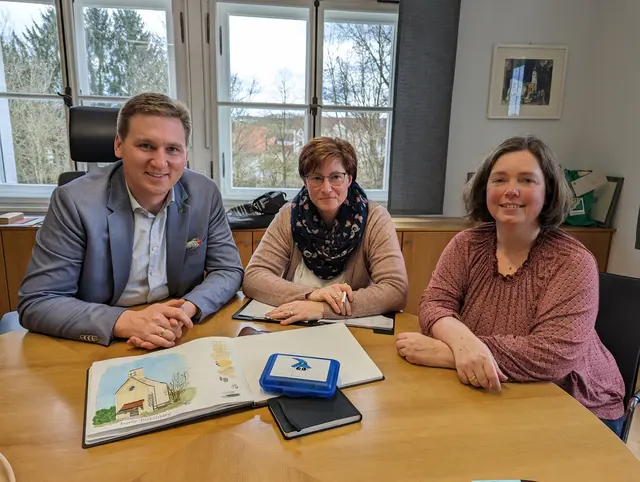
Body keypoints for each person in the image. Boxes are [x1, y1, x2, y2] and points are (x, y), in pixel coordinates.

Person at [395, 135, 625, 434]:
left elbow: (552, 357)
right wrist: (465, 345)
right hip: (494, 388)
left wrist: (449, 354)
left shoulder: (572, 261)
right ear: (485, 189)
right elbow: (435, 304)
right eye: (499, 179)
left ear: (549, 192)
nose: (511, 190)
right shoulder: (467, 244)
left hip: (575, 406)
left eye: (527, 180)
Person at [18, 93, 243, 349]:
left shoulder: (204, 193)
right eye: (146, 145)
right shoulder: (74, 201)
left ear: (185, 154)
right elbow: (38, 301)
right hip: (102, 338)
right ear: (118, 146)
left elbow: (228, 270)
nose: (160, 162)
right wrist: (125, 321)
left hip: (175, 332)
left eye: (172, 149)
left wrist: (187, 308)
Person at [242, 137, 408, 324]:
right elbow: (253, 278)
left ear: (349, 179)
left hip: (350, 329)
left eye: (336, 177)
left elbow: (395, 289)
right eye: (317, 178)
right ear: (306, 181)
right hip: (292, 324)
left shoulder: (375, 219)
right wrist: (311, 295)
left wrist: (322, 309)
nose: (326, 188)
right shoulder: (288, 215)